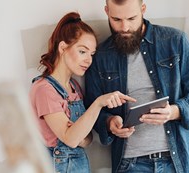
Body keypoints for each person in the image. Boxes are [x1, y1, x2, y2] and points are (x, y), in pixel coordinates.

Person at [83, 0, 189, 173]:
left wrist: (173, 112)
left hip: (180, 161)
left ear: (143, 9)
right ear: (106, 11)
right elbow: (92, 109)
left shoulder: (175, 41)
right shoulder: (100, 56)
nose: (125, 27)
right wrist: (110, 122)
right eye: (116, 19)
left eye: (131, 18)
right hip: (131, 165)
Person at [29, 12, 136, 173]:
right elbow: (72, 139)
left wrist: (76, 134)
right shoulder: (44, 89)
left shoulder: (74, 88)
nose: (89, 60)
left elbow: (88, 139)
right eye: (82, 51)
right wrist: (99, 103)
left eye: (91, 54)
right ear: (63, 47)